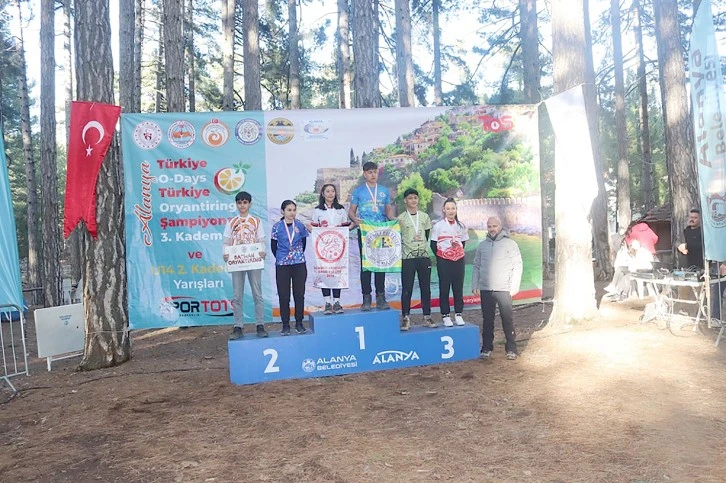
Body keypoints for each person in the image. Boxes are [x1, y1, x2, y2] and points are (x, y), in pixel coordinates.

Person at [472, 216, 523, 360]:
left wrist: (514, 286)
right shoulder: (482, 246)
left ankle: (511, 348)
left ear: (500, 226)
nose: (492, 229)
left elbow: (518, 265)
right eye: (489, 226)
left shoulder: (510, 244)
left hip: (504, 288)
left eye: (494, 226)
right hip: (486, 288)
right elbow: (476, 266)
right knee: (487, 319)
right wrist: (475, 284)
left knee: (507, 319)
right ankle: (487, 347)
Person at [348, 161, 396, 311]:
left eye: (375, 172)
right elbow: (351, 211)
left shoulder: (384, 191)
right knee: (366, 265)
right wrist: (355, 220)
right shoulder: (358, 192)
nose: (373, 175)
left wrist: (395, 221)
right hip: (365, 231)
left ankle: (381, 298)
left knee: (380, 264)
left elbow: (388, 212)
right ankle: (366, 298)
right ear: (364, 174)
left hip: (381, 231)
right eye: (369, 172)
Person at [222, 191, 268, 340]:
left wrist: (262, 251)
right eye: (239, 203)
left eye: (245, 202)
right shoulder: (231, 222)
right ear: (236, 204)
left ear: (250, 204)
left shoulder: (256, 221)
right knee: (237, 295)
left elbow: (261, 240)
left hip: (253, 260)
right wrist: (225, 254)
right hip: (237, 262)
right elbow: (226, 242)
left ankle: (260, 325)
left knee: (257, 294)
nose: (242, 205)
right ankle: (238, 327)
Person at [308, 184, 351, 315]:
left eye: (333, 191)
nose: (330, 193)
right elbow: (314, 229)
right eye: (327, 191)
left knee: (337, 272)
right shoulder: (317, 211)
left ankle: (337, 303)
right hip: (323, 248)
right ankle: (327, 303)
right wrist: (311, 229)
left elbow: (345, 228)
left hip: (338, 247)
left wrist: (353, 225)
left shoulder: (341, 210)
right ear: (323, 194)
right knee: (325, 273)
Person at [397, 188, 436, 331]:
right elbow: (398, 237)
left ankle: (427, 316)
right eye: (410, 198)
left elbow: (427, 235)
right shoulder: (401, 218)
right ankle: (406, 317)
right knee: (407, 289)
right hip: (408, 257)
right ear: (405, 201)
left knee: (425, 288)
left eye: (415, 197)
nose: (413, 200)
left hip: (423, 257)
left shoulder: (425, 217)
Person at [271, 200, 309, 335]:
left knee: (299, 294)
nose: (292, 213)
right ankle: (285, 325)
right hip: (282, 265)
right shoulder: (276, 227)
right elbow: (273, 246)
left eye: (294, 210)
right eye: (289, 210)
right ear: (283, 211)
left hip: (299, 264)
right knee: (284, 296)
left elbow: (303, 244)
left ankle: (299, 323)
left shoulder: (300, 226)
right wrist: (283, 258)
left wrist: (296, 256)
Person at [430, 198, 469, 327]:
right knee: (444, 288)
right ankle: (445, 315)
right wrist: (443, 256)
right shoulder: (438, 226)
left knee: (458, 288)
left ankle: (458, 314)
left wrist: (456, 253)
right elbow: (433, 245)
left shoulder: (461, 226)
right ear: (444, 210)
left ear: (456, 210)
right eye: (448, 209)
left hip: (458, 260)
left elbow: (463, 243)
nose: (451, 211)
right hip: (444, 261)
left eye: (453, 208)